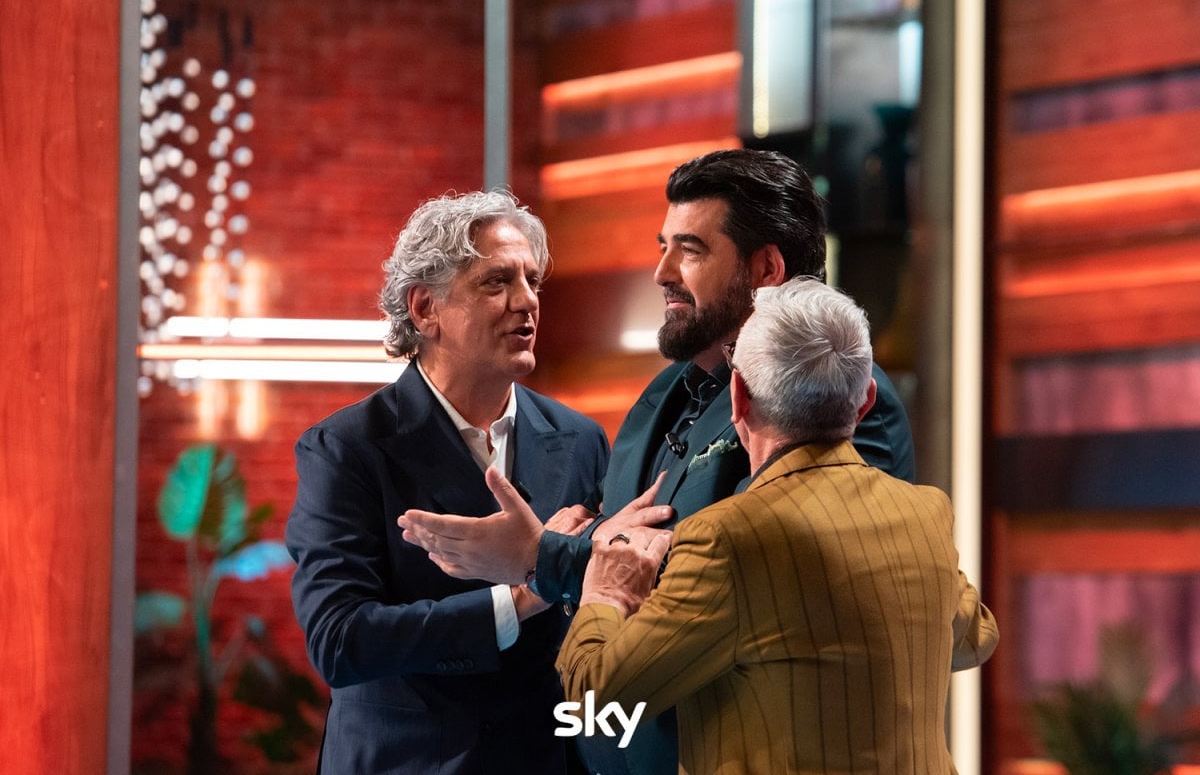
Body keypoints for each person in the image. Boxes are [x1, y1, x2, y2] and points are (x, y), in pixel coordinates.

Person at [398, 148, 916, 773]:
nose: (661, 272)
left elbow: (777, 574)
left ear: (766, 269)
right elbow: (624, 541)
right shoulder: (665, 392)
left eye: (690, 250)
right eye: (663, 246)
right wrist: (588, 544)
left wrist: (544, 557)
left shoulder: (840, 398)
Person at [554, 277, 999, 775]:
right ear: (866, 400)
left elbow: (593, 702)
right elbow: (975, 636)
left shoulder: (727, 537)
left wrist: (605, 593)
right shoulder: (924, 512)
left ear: (738, 397)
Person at [285, 189, 610, 774]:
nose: (527, 302)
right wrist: (524, 594)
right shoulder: (346, 448)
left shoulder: (582, 438)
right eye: (497, 282)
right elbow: (340, 641)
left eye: (532, 281)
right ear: (424, 308)